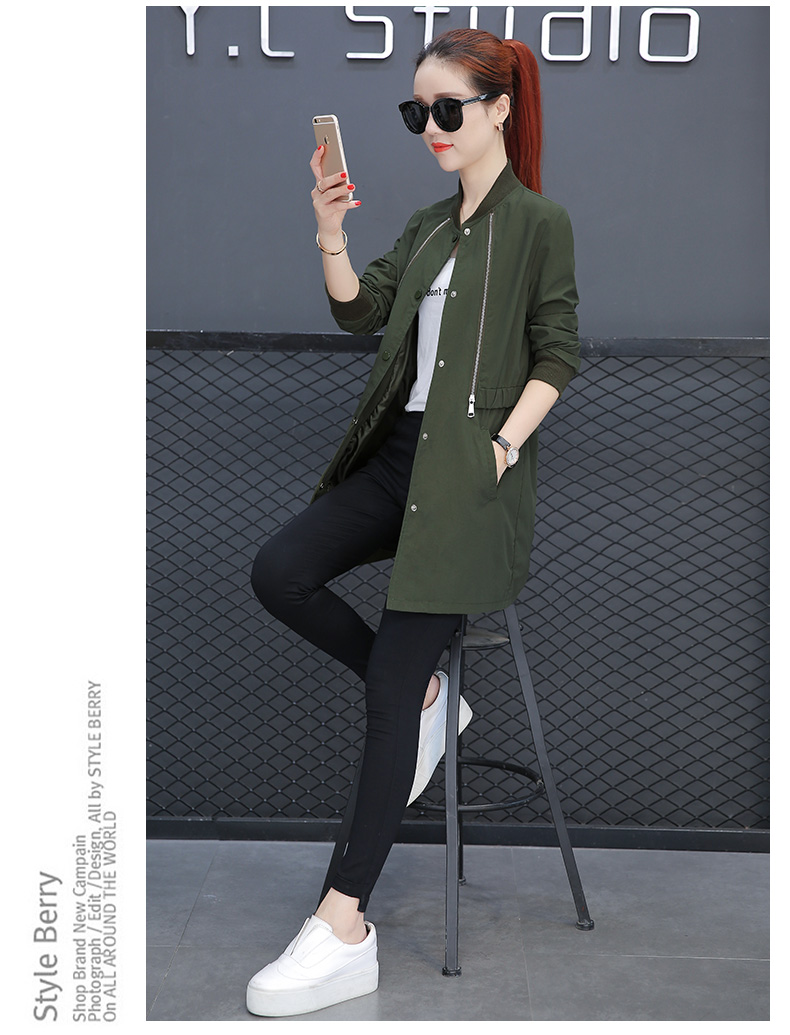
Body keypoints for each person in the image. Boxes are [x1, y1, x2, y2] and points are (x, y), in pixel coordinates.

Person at [246, 27, 581, 1017]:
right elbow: (359, 311)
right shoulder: (432, 227)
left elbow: (558, 349)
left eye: (446, 108)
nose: (430, 126)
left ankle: (342, 923)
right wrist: (330, 231)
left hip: (469, 476)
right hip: (398, 458)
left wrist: (501, 447)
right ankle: (434, 696)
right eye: (415, 112)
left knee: (388, 693)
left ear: (500, 110)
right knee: (279, 570)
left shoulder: (538, 223)